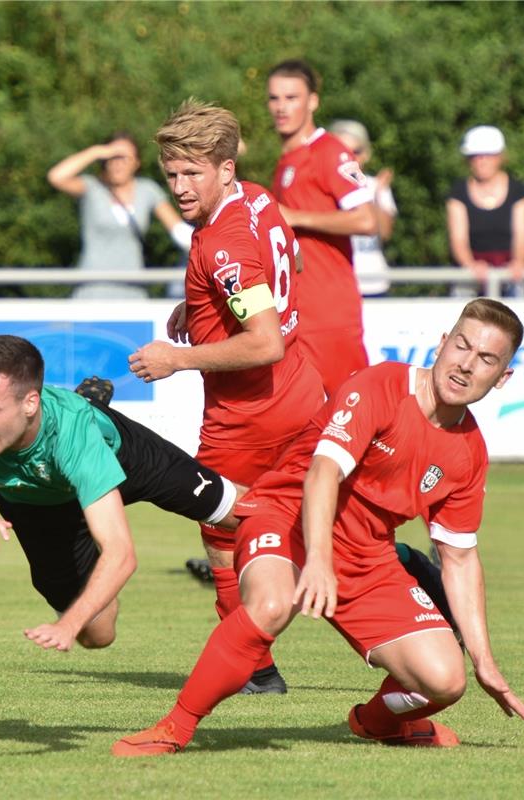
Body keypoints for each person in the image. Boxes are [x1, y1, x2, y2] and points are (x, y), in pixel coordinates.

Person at [113, 298, 524, 756]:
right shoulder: (382, 386)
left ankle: (377, 723)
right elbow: (321, 475)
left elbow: (458, 556)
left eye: (486, 359)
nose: (466, 365)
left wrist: (485, 662)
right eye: (461, 346)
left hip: (367, 556)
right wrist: (317, 562)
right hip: (289, 516)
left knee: (445, 682)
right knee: (273, 604)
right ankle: (173, 728)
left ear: (502, 377)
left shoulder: (468, 452)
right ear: (441, 345)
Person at [0, 335, 239, 652]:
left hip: (118, 456)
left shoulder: (75, 436)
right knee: (98, 635)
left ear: (30, 402)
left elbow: (121, 553)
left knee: (237, 513)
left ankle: (88, 404)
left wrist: (66, 626)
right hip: (35, 507)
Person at [128, 100, 325, 694]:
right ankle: (424, 582)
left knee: (218, 530)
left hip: (248, 413)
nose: (181, 187)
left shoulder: (220, 244)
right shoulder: (259, 199)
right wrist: (200, 305)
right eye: (172, 174)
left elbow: (261, 341)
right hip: (302, 389)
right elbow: (261, 277)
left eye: (194, 173)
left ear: (226, 170)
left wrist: (177, 356)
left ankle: (253, 667)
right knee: (324, 521)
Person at [267, 60, 377, 394]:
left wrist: (296, 216)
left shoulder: (332, 151)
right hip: (297, 312)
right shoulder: (287, 158)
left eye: (291, 97)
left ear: (313, 101)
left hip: (329, 313)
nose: (281, 107)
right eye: (274, 98)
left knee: (354, 413)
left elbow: (366, 218)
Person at [47, 133, 194, 299]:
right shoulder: (92, 188)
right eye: (113, 158)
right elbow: (56, 177)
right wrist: (95, 152)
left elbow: (180, 232)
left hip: (132, 290)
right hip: (92, 289)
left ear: (136, 163)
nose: (118, 164)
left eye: (124, 158)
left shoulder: (147, 190)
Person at [447, 125, 524, 298]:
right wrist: (470, 265)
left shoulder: (519, 191)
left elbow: (522, 236)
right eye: (475, 156)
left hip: (509, 274)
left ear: (500, 157)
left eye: (488, 155)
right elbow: (458, 239)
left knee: (516, 311)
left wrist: (518, 262)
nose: (481, 161)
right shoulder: (457, 193)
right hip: (470, 275)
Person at [329, 119, 397, 298]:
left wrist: (375, 195)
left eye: (355, 152)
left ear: (366, 154)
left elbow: (385, 232)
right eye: (342, 152)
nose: (349, 158)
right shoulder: (324, 189)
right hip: (338, 283)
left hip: (373, 283)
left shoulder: (376, 185)